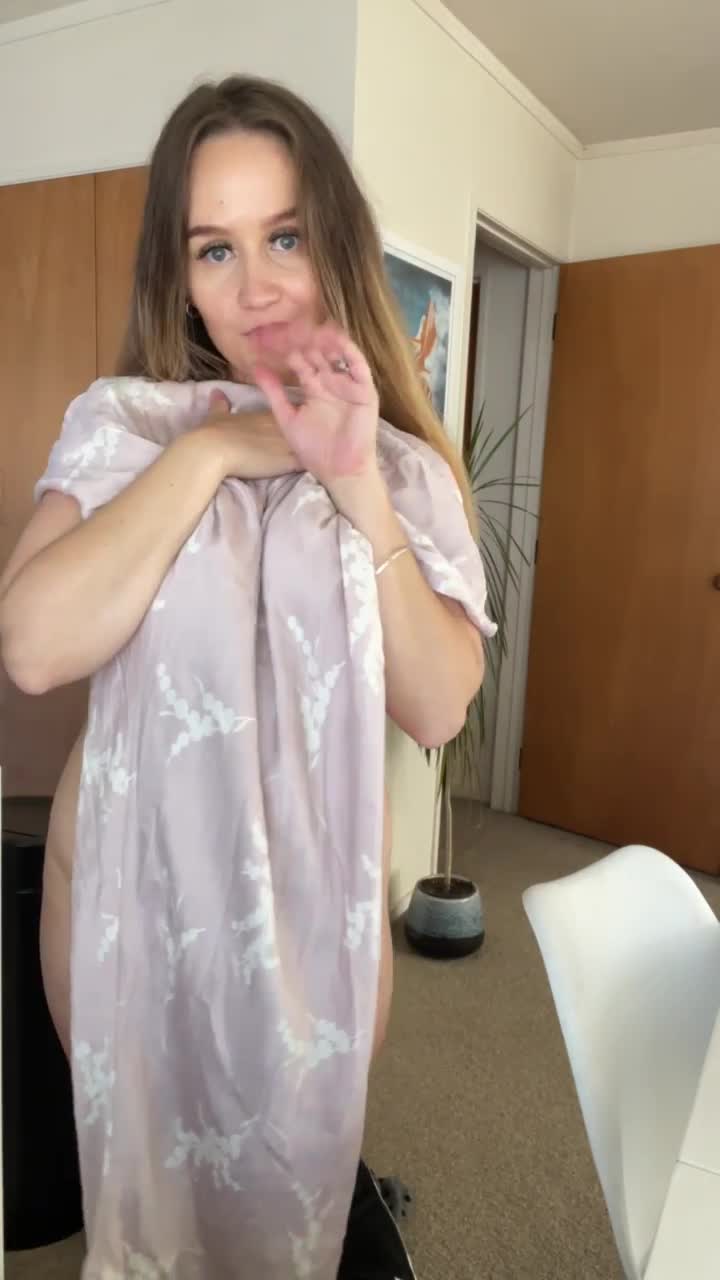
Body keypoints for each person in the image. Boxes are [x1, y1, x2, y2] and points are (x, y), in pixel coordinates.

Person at [0, 76, 495, 1279]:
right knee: (147, 1217)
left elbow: (437, 700)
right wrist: (221, 448)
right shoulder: (124, 425)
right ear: (179, 276)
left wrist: (352, 480)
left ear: (337, 242)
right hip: (126, 893)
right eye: (214, 248)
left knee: (287, 1210)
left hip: (314, 917)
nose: (258, 285)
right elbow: (34, 643)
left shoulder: (404, 470)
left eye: (285, 236)